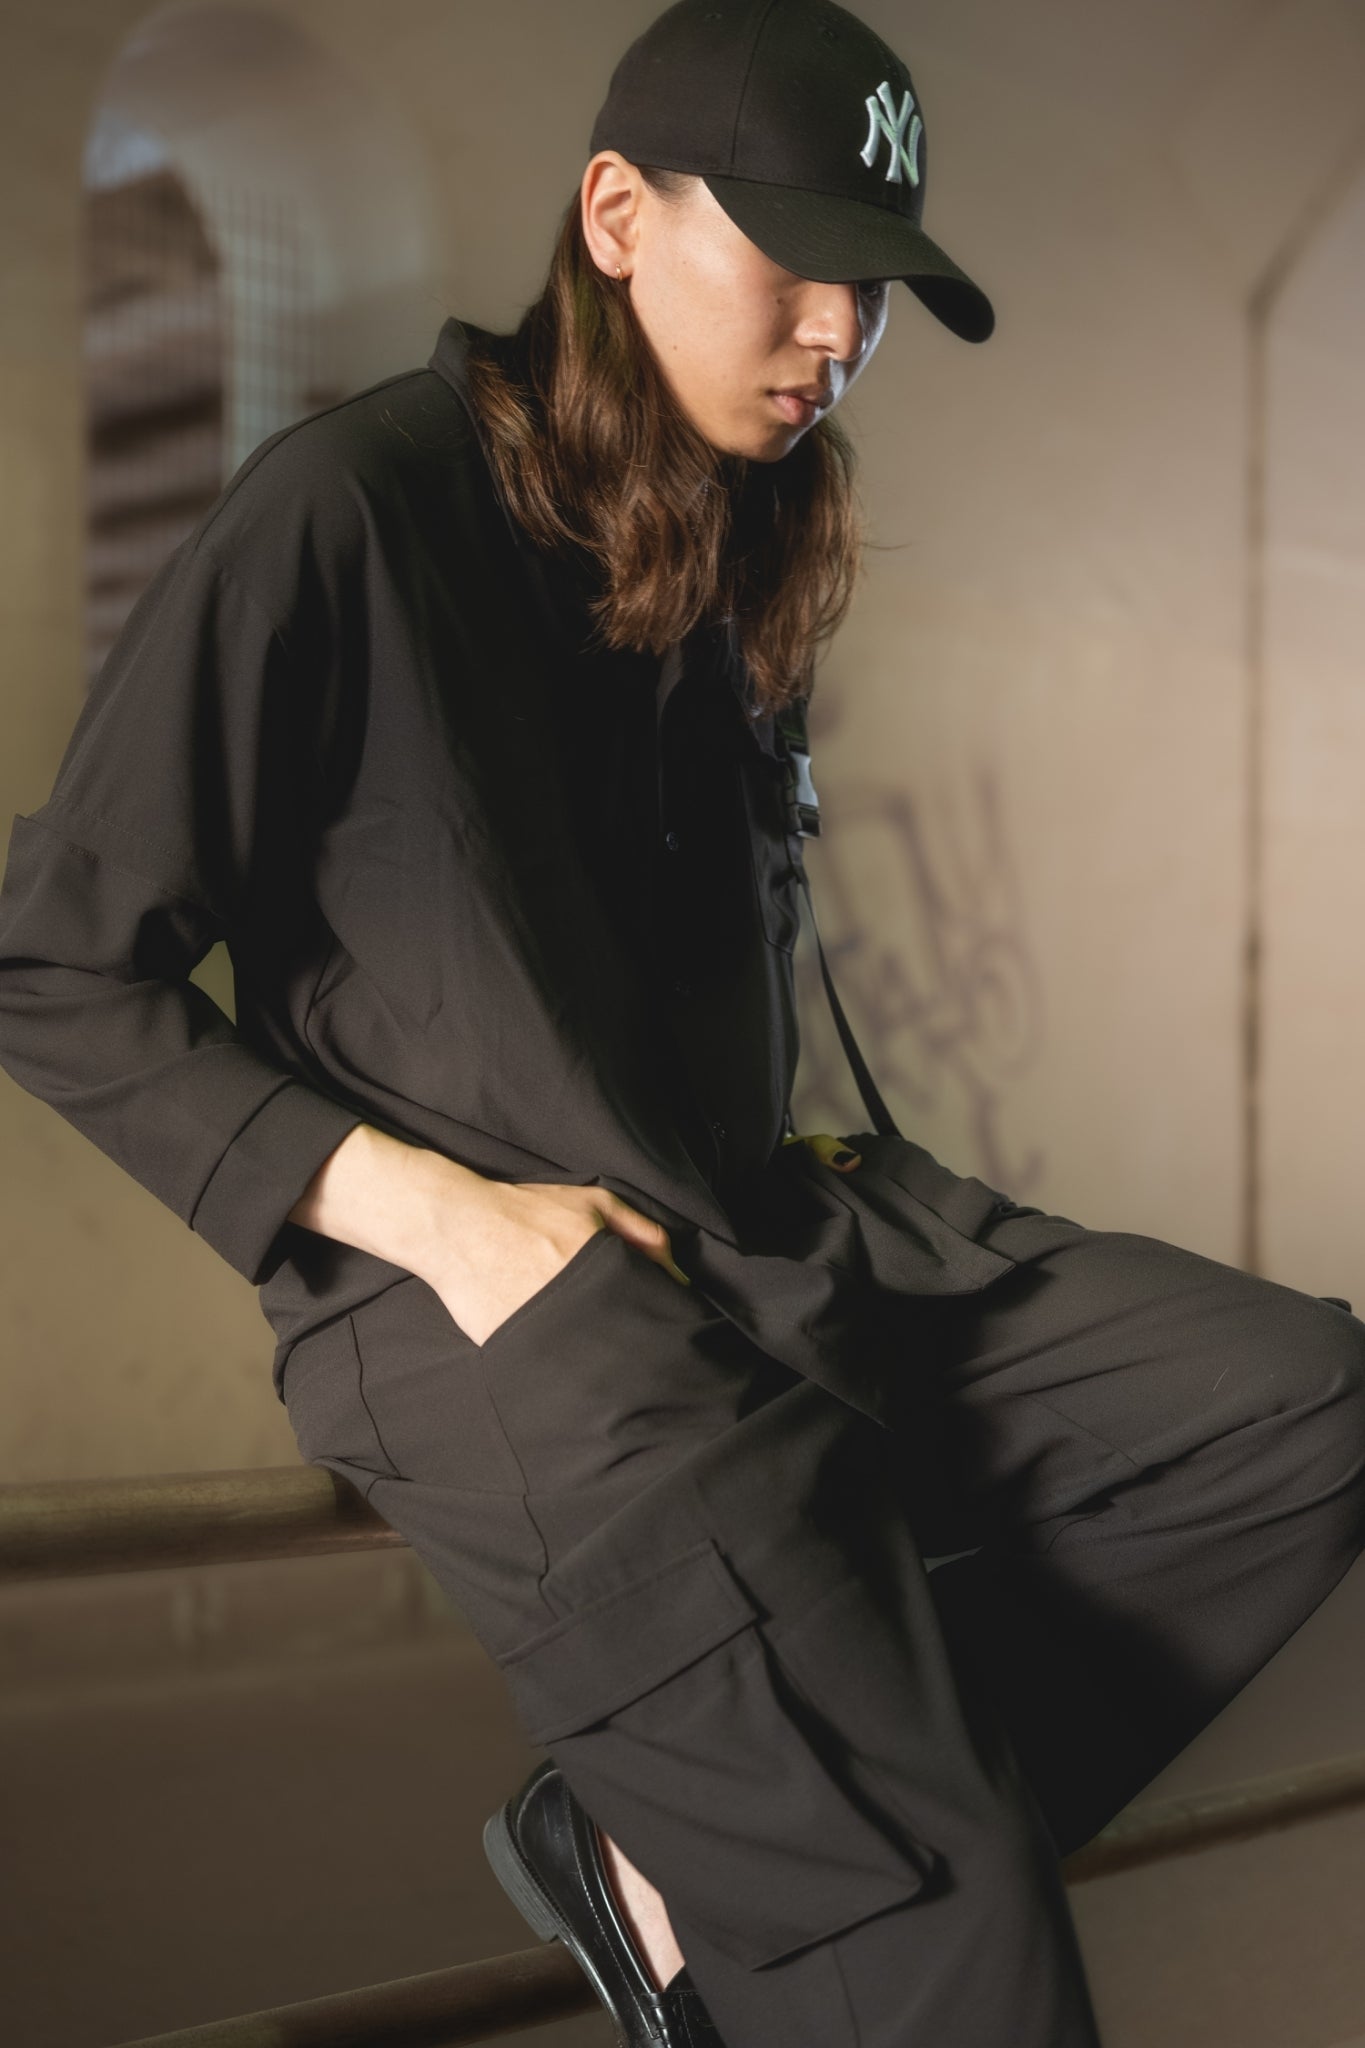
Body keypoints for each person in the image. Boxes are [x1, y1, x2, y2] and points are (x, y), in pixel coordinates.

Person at [1, 2, 1363, 2044]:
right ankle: (843, 1861)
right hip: (527, 1322)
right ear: (616, 217)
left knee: (1294, 1404)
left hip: (773, 1240)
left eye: (872, 289)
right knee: (955, 1943)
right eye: (794, 260)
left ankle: (706, 1855)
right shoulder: (349, 510)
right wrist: (454, 1223)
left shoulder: (733, 538)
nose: (837, 330)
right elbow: (53, 964)